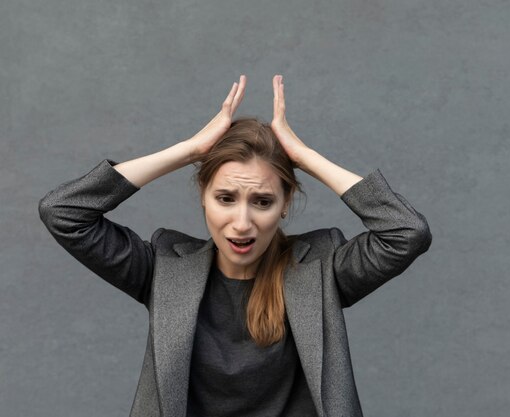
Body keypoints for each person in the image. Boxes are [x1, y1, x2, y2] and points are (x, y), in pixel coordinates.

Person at [38, 74, 432, 417]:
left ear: (284, 206)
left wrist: (305, 159)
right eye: (225, 198)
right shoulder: (163, 268)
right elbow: (64, 212)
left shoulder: (321, 270)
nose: (242, 223)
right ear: (203, 198)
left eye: (262, 201)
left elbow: (406, 232)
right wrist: (188, 152)